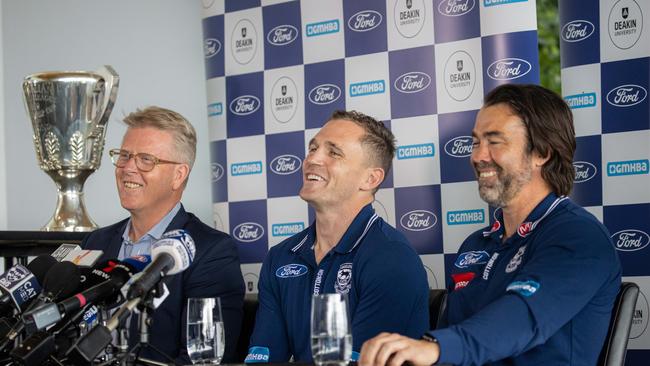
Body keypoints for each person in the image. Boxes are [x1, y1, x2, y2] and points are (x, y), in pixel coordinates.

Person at [360, 84, 622, 366]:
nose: (477, 156)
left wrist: (434, 348)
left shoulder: (579, 236)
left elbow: (523, 316)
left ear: (542, 152)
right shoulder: (475, 245)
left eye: (494, 141)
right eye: (475, 142)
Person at [245, 111, 430, 363]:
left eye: (333, 152)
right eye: (313, 148)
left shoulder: (392, 258)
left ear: (370, 178)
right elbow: (264, 358)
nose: (312, 159)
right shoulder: (280, 257)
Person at [82, 106, 245, 363]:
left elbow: (202, 360)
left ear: (178, 175)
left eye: (146, 159)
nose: (128, 168)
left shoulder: (212, 253)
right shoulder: (96, 243)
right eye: (124, 155)